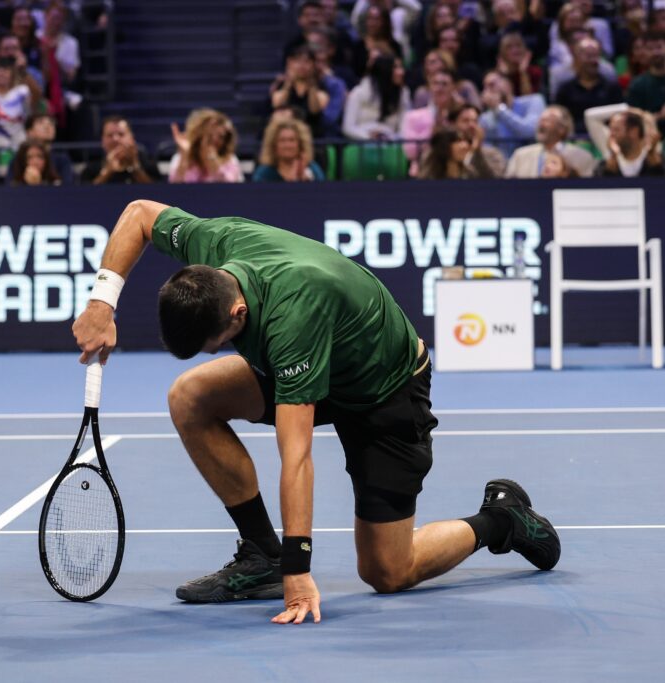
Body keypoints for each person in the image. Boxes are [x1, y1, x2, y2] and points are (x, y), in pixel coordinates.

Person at [70, 199, 561, 624]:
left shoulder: (291, 318)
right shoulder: (214, 245)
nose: (216, 353)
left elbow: (297, 456)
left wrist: (298, 569)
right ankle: (260, 555)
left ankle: (502, 520)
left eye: (217, 344)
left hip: (383, 390)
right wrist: (101, 303)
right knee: (190, 396)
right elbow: (138, 215)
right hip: (326, 364)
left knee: (388, 572)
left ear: (237, 314)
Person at [555, 37, 624, 133]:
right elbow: (560, 120)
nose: (593, 61)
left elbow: (620, 117)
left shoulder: (612, 88)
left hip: (606, 139)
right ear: (576, 58)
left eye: (596, 56)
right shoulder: (565, 89)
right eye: (588, 56)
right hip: (574, 140)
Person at [505, 106, 596, 178]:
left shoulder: (583, 157)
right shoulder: (520, 155)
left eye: (548, 120)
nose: (541, 124)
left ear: (562, 129)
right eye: (541, 120)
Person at [269, 45, 331, 140]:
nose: (302, 65)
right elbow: (277, 105)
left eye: (307, 62)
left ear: (313, 64)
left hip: (313, 136)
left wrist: (312, 85)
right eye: (297, 61)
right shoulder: (281, 86)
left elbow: (315, 110)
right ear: (289, 63)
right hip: (285, 136)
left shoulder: (321, 87)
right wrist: (288, 83)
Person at [478, 70, 545, 158]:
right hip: (502, 167)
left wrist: (499, 109)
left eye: (492, 84)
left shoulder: (533, 101)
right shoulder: (485, 118)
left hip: (530, 163)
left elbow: (530, 132)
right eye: (485, 87)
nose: (488, 91)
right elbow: (488, 150)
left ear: (508, 85)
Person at [342, 55, 410, 140]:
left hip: (390, 147)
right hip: (361, 147)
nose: (402, 72)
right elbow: (348, 128)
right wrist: (369, 136)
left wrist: (387, 137)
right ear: (385, 71)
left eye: (401, 67)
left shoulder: (403, 95)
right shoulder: (358, 93)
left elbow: (404, 131)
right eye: (396, 68)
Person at [168, 109, 244, 183]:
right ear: (199, 136)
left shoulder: (231, 160)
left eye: (221, 136)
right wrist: (184, 158)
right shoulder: (179, 159)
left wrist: (212, 161)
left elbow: (231, 190)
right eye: (210, 136)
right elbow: (174, 189)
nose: (215, 140)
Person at [80, 116, 160, 185]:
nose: (115, 139)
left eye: (121, 134)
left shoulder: (148, 165)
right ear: (102, 140)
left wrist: (136, 169)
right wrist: (107, 171)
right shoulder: (91, 169)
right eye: (110, 135)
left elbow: (159, 195)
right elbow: (85, 197)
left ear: (131, 138)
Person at [595, 110, 665, 176]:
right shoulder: (604, 165)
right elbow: (601, 186)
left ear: (634, 132)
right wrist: (613, 156)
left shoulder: (661, 161)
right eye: (611, 130)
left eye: (616, 130)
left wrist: (652, 155)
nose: (611, 134)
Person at [252, 118, 325, 181]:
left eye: (292, 140)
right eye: (282, 140)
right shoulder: (264, 173)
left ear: (300, 144)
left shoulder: (312, 169)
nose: (287, 145)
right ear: (274, 145)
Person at [417, 126, 495, 179]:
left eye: (465, 141)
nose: (465, 146)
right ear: (444, 146)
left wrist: (477, 151)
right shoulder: (428, 177)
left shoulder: (471, 174)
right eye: (458, 141)